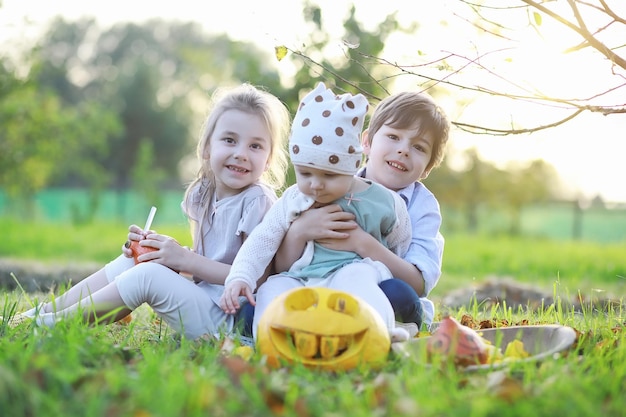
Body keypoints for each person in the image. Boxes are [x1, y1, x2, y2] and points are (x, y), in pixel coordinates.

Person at [6, 83, 290, 340]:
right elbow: (208, 262)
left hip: (233, 322)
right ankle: (38, 315)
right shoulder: (204, 193)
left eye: (255, 146)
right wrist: (161, 252)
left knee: (147, 277)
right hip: (206, 301)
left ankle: (48, 327)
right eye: (229, 140)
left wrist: (185, 260)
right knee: (133, 262)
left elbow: (258, 277)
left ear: (267, 160)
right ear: (206, 148)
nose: (241, 152)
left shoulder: (258, 201)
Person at [219, 82, 412, 342]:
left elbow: (400, 242)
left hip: (352, 269)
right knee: (271, 289)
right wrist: (240, 276)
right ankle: (270, 340)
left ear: (352, 165)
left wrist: (384, 265)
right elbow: (262, 239)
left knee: (357, 280)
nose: (315, 184)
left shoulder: (383, 200)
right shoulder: (294, 199)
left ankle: (377, 333)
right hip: (301, 277)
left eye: (329, 175)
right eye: (305, 173)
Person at [273, 90, 450, 332]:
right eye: (393, 136)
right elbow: (281, 267)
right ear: (365, 143)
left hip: (382, 292)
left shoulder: (422, 206)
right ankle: (317, 324)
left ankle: (371, 329)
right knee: (261, 304)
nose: (404, 150)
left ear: (428, 168)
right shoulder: (326, 184)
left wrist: (361, 243)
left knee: (399, 295)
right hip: (315, 285)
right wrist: (300, 232)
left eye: (419, 147)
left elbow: (418, 284)